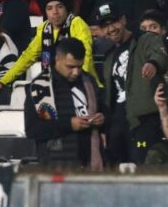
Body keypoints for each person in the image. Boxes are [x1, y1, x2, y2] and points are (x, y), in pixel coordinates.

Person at [97, 3, 168, 165]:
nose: (110, 29)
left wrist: (153, 64)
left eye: (113, 22)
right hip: (117, 124)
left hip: (143, 121)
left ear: (123, 20)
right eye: (105, 26)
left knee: (143, 170)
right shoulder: (108, 57)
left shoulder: (145, 39)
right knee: (116, 173)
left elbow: (160, 55)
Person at [24, 37, 108, 168]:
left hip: (90, 163)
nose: (76, 72)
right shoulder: (40, 86)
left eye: (79, 67)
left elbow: (104, 111)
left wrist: (102, 119)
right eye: (70, 66)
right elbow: (33, 129)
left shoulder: (89, 81)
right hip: (56, 165)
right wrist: (69, 124)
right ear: (57, 58)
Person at [0, 0, 95, 89]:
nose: (55, 12)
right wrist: (2, 81)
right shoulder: (44, 29)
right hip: (53, 85)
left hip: (82, 83)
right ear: (45, 12)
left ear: (66, 9)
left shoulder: (77, 23)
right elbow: (27, 57)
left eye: (59, 7)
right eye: (49, 8)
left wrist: (79, 81)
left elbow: (86, 55)